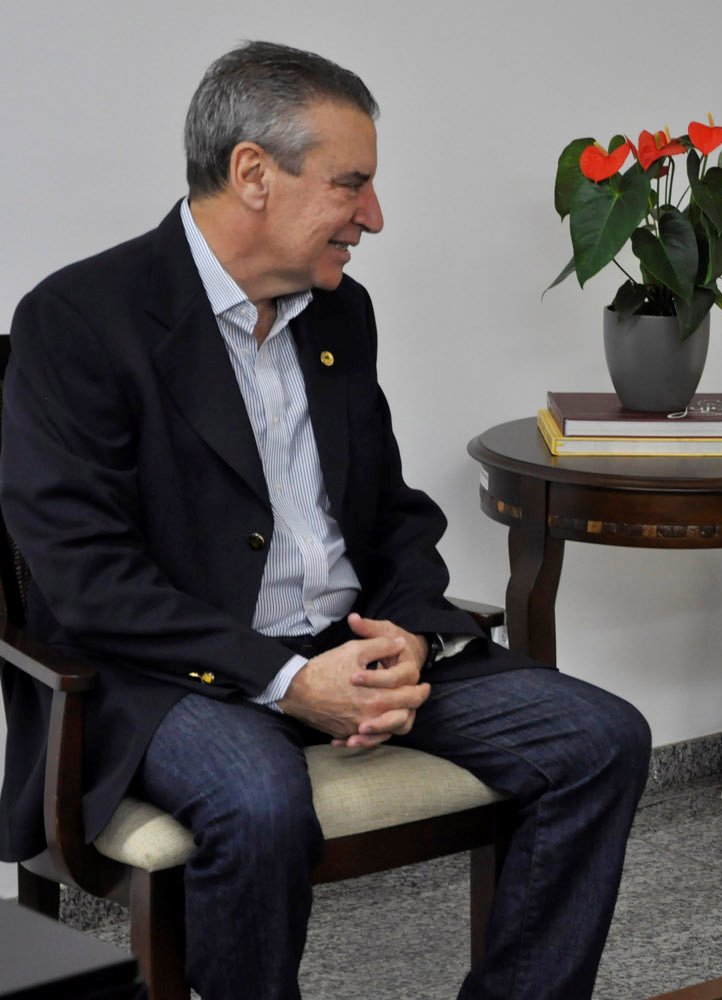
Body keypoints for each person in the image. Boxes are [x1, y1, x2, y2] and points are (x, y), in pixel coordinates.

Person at [0, 41, 650, 1000]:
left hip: (353, 643)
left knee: (601, 739)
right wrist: (291, 681)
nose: (373, 216)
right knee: (258, 803)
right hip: (172, 676)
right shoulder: (80, 321)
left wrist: (412, 635)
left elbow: (390, 512)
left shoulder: (341, 314)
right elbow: (89, 582)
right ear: (253, 173)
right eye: (352, 184)